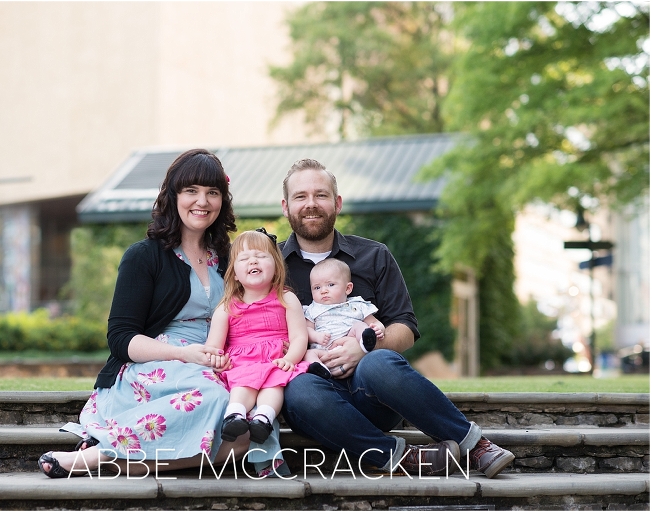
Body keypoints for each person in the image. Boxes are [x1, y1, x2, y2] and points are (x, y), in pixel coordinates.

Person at [278, 158, 516, 478]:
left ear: (337, 203)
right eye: (300, 196)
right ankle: (402, 458)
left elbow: (405, 326)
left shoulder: (373, 255)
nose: (311, 204)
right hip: (315, 403)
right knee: (298, 388)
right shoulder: (272, 266)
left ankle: (475, 446)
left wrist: (364, 347)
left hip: (372, 393)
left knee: (379, 362)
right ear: (285, 206)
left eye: (320, 195)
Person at [38, 148, 248, 478]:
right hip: (156, 366)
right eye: (191, 191)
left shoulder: (229, 258)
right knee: (214, 398)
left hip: (218, 364)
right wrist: (184, 354)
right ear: (173, 195)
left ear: (223, 200)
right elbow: (121, 340)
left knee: (243, 437)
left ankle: (117, 460)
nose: (202, 201)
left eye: (212, 192)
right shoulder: (143, 257)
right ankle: (97, 454)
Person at [205, 229, 309, 445]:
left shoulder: (286, 298)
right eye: (244, 258)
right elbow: (213, 345)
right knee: (243, 383)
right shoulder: (227, 307)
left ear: (276, 266)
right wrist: (217, 359)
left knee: (274, 385)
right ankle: (234, 415)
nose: (253, 261)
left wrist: (289, 359)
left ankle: (264, 418)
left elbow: (300, 336)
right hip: (242, 362)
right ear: (234, 273)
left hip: (276, 359)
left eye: (261, 256)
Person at [302, 257, 384, 379]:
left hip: (352, 345)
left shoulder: (357, 305)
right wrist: (316, 336)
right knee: (308, 354)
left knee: (360, 326)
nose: (323, 291)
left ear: (348, 288)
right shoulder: (312, 309)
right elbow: (306, 331)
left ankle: (366, 342)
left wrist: (378, 329)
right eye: (317, 287)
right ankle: (320, 369)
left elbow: (374, 322)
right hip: (325, 352)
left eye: (330, 285)